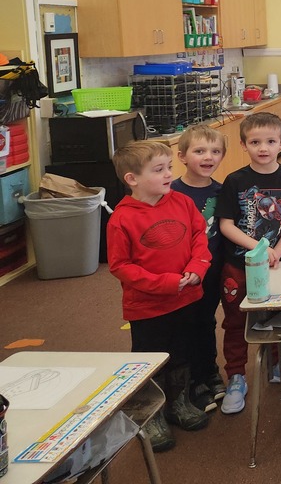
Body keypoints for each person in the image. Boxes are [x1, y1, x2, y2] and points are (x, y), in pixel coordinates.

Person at [108, 140, 212, 452]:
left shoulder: (182, 202)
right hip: (148, 307)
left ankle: (177, 404)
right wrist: (165, 283)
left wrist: (197, 267)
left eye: (169, 167)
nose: (169, 174)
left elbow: (198, 236)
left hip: (187, 298)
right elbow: (121, 266)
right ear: (132, 178)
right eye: (159, 170)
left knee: (182, 351)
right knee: (150, 359)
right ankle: (150, 414)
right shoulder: (121, 219)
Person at [215, 112, 281, 415]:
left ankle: (276, 366)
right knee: (235, 321)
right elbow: (227, 225)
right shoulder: (235, 180)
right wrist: (259, 248)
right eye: (255, 142)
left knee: (273, 319)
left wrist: (278, 251)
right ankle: (236, 376)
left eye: (270, 141)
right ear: (244, 145)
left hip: (275, 264)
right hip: (238, 265)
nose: (263, 148)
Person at [170, 124, 227, 415]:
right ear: (182, 156)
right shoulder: (172, 193)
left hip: (214, 271)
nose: (208, 157)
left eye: (215, 151)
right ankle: (191, 380)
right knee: (186, 325)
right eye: (200, 151)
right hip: (184, 275)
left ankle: (209, 371)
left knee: (206, 322)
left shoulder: (221, 191)